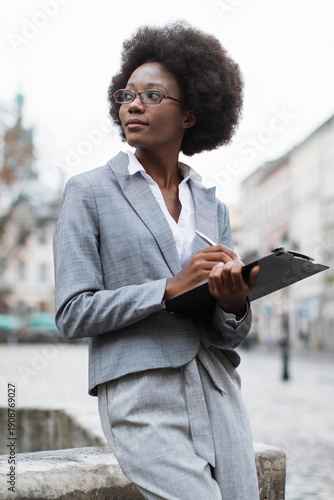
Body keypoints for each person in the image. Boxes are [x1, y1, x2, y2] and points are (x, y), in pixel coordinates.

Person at [53, 21, 260, 500]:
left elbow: (232, 329)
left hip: (216, 384)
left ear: (190, 115)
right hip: (138, 386)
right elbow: (71, 312)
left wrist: (233, 303)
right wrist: (168, 288)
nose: (132, 104)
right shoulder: (89, 192)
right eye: (127, 95)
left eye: (151, 95)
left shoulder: (212, 205)